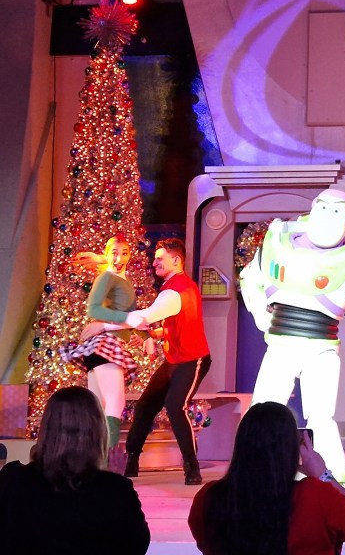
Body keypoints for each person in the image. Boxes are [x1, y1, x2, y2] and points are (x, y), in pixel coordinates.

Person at [238, 189, 345, 488]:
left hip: (321, 347)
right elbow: (250, 278)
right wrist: (260, 313)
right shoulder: (280, 245)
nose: (328, 216)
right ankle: (253, 473)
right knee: (263, 408)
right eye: (323, 208)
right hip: (281, 343)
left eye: (337, 210)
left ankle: (334, 478)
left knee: (320, 416)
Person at [188, 401, 345, 555]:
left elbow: (203, 542)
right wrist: (323, 473)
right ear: (291, 448)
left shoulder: (208, 498)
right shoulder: (315, 495)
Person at [0, 386, 150, 554]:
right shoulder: (113, 488)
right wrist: (114, 486)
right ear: (98, 430)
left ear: (47, 427)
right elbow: (135, 545)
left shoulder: (14, 481)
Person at [122, 237, 212, 485]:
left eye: (160, 258)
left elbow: (148, 316)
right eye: (155, 258)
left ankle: (191, 467)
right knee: (145, 405)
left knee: (175, 405)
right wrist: (153, 336)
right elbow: (173, 326)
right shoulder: (174, 287)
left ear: (176, 260)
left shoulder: (176, 290)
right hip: (174, 361)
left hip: (193, 360)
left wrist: (108, 320)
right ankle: (132, 460)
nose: (154, 263)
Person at [59, 234, 139, 449]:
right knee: (115, 402)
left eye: (124, 253)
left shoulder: (122, 279)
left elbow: (131, 313)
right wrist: (129, 320)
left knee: (99, 406)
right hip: (106, 344)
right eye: (114, 253)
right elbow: (93, 309)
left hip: (107, 344)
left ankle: (92, 456)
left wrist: (145, 335)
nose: (119, 258)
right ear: (107, 254)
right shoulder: (107, 277)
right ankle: (107, 458)